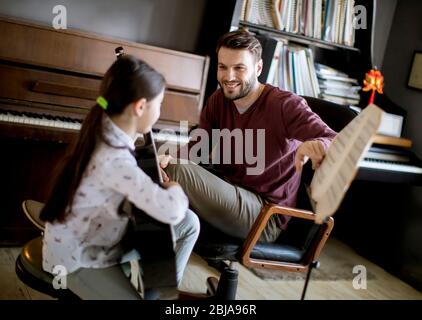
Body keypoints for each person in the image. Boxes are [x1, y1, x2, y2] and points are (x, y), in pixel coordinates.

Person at [39, 55, 199, 299]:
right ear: (140, 107)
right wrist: (175, 187)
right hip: (76, 259)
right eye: (160, 104)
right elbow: (172, 210)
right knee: (180, 215)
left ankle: (161, 291)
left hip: (102, 233)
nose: (159, 112)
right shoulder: (113, 159)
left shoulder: (104, 122)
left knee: (189, 223)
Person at [163, 30, 337, 243]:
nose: (229, 77)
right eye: (223, 67)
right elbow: (197, 148)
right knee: (158, 158)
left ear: (258, 68)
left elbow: (334, 139)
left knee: (177, 170)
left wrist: (320, 144)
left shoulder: (285, 104)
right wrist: (166, 157)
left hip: (265, 215)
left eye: (239, 68)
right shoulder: (219, 99)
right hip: (230, 189)